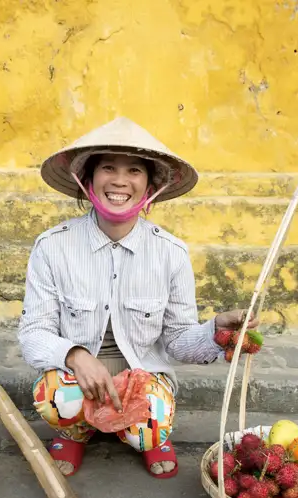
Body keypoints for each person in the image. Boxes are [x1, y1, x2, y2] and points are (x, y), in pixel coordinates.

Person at [17, 117, 259, 478]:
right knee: (54, 399)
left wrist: (214, 330)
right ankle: (76, 431)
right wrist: (75, 355)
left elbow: (178, 342)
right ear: (89, 180)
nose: (119, 181)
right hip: (76, 378)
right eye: (108, 168)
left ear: (149, 186)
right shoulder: (52, 246)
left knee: (152, 426)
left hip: (142, 377)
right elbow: (33, 331)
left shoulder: (171, 252)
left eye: (134, 170)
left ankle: (147, 436)